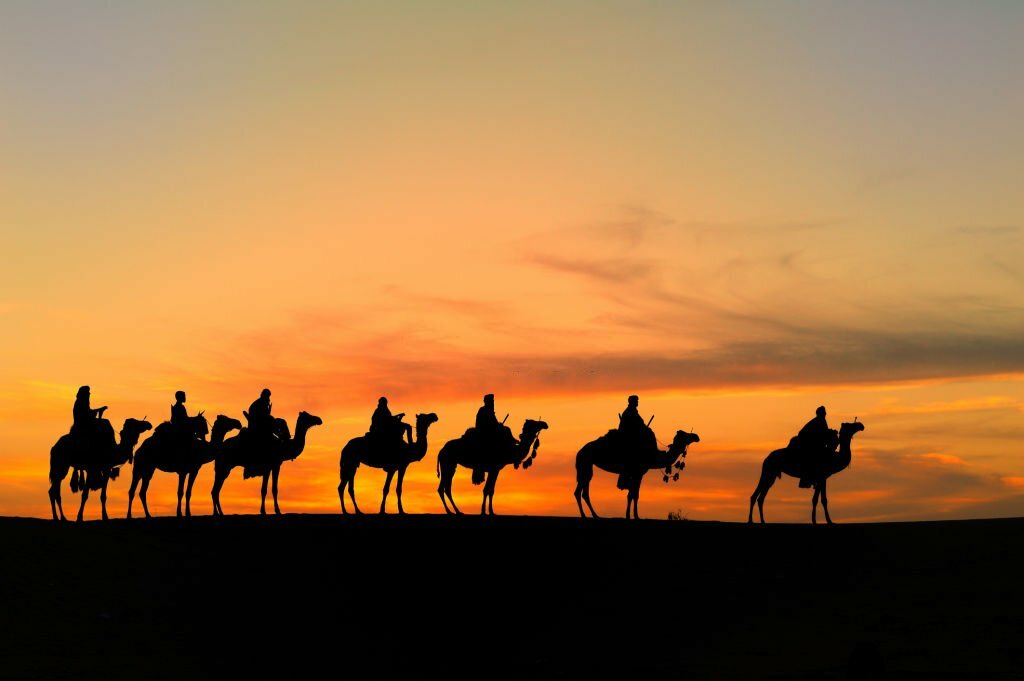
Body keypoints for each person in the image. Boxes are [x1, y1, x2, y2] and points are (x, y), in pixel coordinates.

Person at [795, 405, 832, 488]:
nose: (825, 413)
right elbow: (818, 433)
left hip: (815, 443)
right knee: (813, 459)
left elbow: (824, 432)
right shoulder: (817, 421)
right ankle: (806, 480)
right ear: (820, 413)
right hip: (808, 443)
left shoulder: (822, 421)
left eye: (825, 412)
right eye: (823, 412)